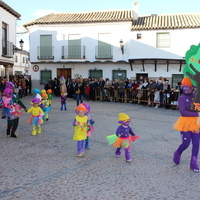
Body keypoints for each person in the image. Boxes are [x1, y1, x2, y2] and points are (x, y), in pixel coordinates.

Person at [173, 77, 200, 172]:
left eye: (187, 87)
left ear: (192, 87)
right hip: (185, 123)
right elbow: (183, 112)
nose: (185, 89)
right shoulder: (181, 97)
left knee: (196, 144)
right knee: (186, 143)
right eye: (184, 87)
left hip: (196, 123)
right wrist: (197, 114)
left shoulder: (196, 96)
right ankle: (177, 153)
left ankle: (193, 163)